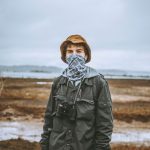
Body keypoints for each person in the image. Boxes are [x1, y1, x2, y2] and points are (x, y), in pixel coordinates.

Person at [40, 34, 113, 150]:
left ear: (86, 55)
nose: (74, 55)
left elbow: (105, 125)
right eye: (70, 51)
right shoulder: (58, 82)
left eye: (79, 51)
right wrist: (44, 145)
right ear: (65, 56)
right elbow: (48, 119)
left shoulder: (99, 83)